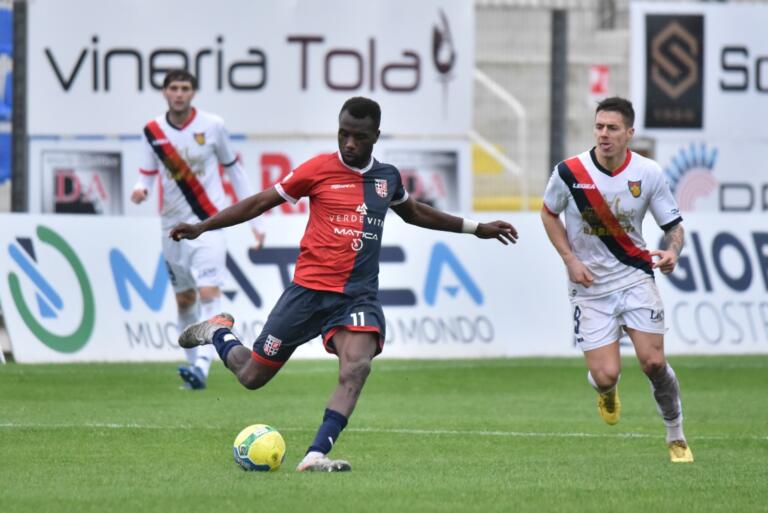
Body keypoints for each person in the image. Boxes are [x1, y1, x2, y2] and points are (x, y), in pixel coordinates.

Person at [170, 96, 518, 471]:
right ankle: (219, 331)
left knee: (357, 367)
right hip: (307, 293)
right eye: (343, 134)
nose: (349, 143)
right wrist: (203, 226)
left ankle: (315, 454)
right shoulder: (317, 169)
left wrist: (476, 228)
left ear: (376, 136)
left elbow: (415, 212)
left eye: (359, 137)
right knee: (252, 376)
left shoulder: (387, 178)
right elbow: (259, 203)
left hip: (357, 297)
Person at [540, 97, 693, 463]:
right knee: (606, 375)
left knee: (653, 363)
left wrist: (673, 252)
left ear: (629, 133)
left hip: (635, 277)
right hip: (589, 287)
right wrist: (570, 259)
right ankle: (606, 391)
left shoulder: (648, 172)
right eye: (599, 127)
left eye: (612, 128)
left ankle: (675, 435)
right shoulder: (569, 172)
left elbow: (674, 227)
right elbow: (548, 214)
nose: (603, 134)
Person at [131, 69, 264, 390]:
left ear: (193, 93)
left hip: (208, 223)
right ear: (165, 92)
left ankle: (202, 367)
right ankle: (193, 369)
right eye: (174, 88)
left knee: (208, 293)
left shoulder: (213, 126)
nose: (179, 94)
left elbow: (234, 170)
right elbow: (146, 173)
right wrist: (140, 188)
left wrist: (256, 222)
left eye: (185, 88)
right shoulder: (153, 130)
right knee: (185, 300)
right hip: (173, 225)